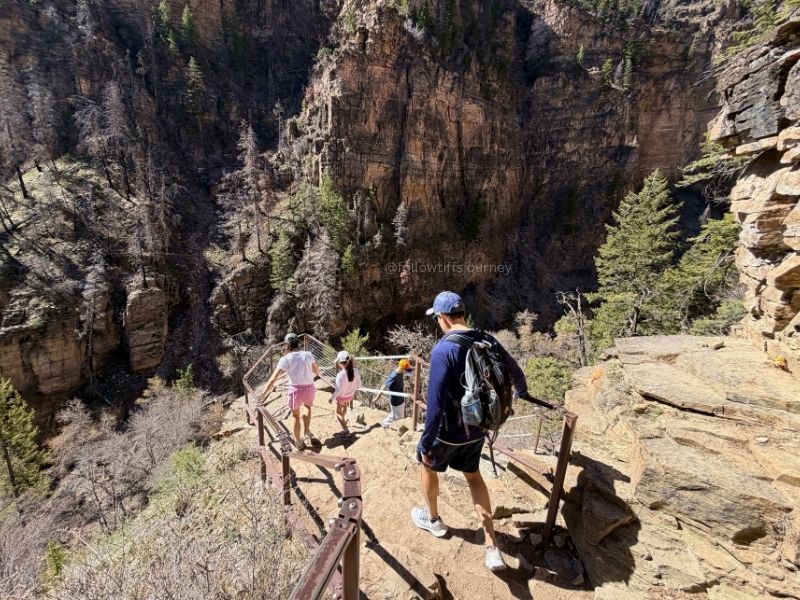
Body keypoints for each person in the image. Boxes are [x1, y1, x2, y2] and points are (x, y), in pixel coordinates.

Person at [411, 291, 528, 572]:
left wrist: (425, 442)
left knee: (427, 466)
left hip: (447, 432)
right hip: (477, 428)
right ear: (462, 315)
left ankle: (434, 520)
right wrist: (522, 393)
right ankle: (492, 548)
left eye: (437, 318)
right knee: (474, 477)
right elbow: (517, 375)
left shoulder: (443, 351)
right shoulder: (486, 339)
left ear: (443, 318)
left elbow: (435, 406)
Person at [261, 333, 321, 450]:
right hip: (309, 388)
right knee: (307, 407)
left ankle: (298, 442)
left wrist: (263, 394)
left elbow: (273, 378)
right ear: (297, 343)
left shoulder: (285, 359)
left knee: (295, 415)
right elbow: (316, 370)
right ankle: (307, 431)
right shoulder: (308, 354)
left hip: (296, 390)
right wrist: (313, 371)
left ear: (286, 344)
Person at [329, 350, 362, 436]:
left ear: (341, 363)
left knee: (338, 413)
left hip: (341, 397)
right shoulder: (356, 371)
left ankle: (346, 430)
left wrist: (331, 398)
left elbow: (338, 390)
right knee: (344, 407)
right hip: (350, 396)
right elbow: (359, 386)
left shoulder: (340, 375)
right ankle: (343, 421)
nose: (338, 364)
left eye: (338, 362)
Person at [380, 358, 412, 427]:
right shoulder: (393, 376)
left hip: (401, 399)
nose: (406, 371)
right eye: (405, 369)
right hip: (396, 401)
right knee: (396, 417)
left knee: (398, 416)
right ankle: (384, 424)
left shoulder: (400, 371)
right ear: (402, 368)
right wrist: (377, 397)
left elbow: (409, 370)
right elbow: (384, 385)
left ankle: (387, 424)